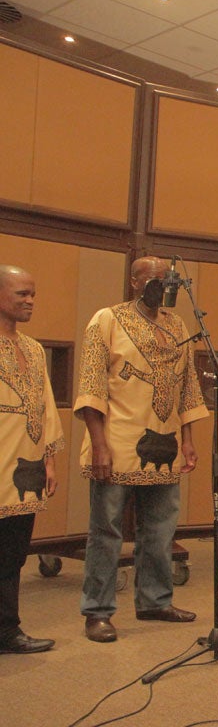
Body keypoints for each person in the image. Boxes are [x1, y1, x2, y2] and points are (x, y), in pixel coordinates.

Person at [76, 256, 209, 643]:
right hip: (117, 443)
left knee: (161, 529)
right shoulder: (107, 320)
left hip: (164, 446)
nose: (161, 285)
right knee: (107, 531)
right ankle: (97, 611)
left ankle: (154, 600)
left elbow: (187, 387)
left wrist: (188, 441)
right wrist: (98, 445)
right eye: (152, 279)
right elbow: (91, 385)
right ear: (134, 282)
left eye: (166, 279)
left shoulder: (178, 324)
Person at [0, 266, 62, 654]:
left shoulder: (34, 349)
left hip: (25, 471)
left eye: (33, 294)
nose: (30, 301)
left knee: (12, 555)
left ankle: (8, 630)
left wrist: (49, 461)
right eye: (22, 293)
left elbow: (46, 407)